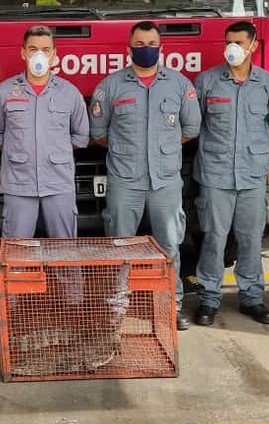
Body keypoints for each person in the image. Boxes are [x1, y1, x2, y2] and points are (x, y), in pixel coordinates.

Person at [89, 21, 201, 330]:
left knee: (169, 247)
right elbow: (98, 133)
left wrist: (159, 149)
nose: (146, 49)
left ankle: (171, 305)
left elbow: (190, 129)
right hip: (125, 181)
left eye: (151, 43)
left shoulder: (179, 85)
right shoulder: (110, 86)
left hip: (165, 181)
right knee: (120, 248)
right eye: (139, 44)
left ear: (161, 48)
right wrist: (130, 150)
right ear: (129, 49)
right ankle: (117, 308)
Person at [191, 21, 269, 327]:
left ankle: (252, 299)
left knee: (250, 239)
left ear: (253, 46)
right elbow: (194, 126)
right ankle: (209, 298)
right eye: (228, 41)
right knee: (213, 239)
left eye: (238, 42)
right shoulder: (207, 82)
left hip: (252, 176)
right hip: (215, 175)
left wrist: (253, 149)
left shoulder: (268, 84)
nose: (232, 47)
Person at [0, 25, 89, 239]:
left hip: (59, 184)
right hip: (19, 185)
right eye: (33, 49)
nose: (39, 54)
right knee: (16, 253)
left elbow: (80, 137)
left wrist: (51, 151)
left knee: (65, 253)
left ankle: (65, 275)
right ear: (23, 53)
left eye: (45, 49)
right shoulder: (3, 92)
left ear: (54, 54)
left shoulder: (69, 93)